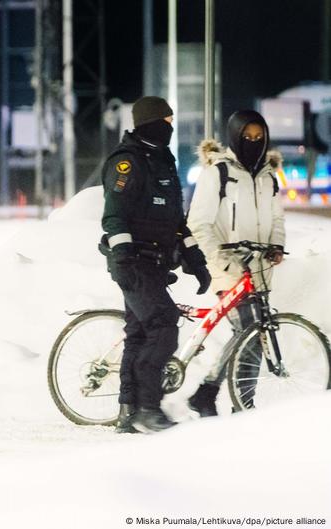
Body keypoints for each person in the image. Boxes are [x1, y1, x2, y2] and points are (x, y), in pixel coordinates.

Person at [101, 96, 211, 433]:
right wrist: (123, 258)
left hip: (157, 262)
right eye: (166, 120)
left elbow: (176, 221)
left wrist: (196, 261)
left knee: (139, 335)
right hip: (135, 262)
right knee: (164, 324)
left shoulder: (162, 161)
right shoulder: (128, 163)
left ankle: (128, 411)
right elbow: (114, 216)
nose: (170, 126)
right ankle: (148, 408)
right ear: (149, 122)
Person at [185, 110, 285, 415]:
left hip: (258, 268)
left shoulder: (268, 175)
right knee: (250, 332)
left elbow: (277, 217)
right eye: (247, 137)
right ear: (235, 136)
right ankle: (227, 399)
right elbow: (198, 223)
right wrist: (221, 260)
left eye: (259, 137)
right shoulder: (219, 172)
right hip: (226, 266)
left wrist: (277, 245)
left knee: (255, 335)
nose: (253, 142)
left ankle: (228, 398)